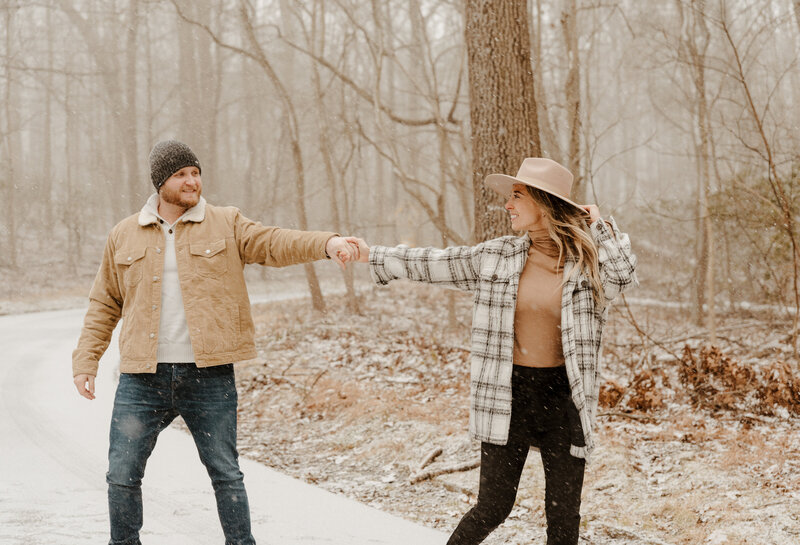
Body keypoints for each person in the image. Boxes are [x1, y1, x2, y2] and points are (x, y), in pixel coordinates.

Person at [72, 140, 359, 545]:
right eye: (181, 174)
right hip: (142, 378)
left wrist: (327, 244)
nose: (192, 181)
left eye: (195, 172)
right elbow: (105, 302)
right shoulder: (125, 234)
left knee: (226, 474)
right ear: (160, 182)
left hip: (209, 376)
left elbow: (275, 242)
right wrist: (86, 361)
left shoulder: (226, 222)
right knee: (121, 475)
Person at [351, 158, 637, 545]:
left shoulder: (587, 264)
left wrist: (598, 226)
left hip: (565, 400)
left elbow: (624, 275)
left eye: (517, 196)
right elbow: (435, 262)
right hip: (508, 395)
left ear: (543, 202)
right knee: (493, 507)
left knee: (563, 519)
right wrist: (373, 255)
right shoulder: (497, 256)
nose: (508, 204)